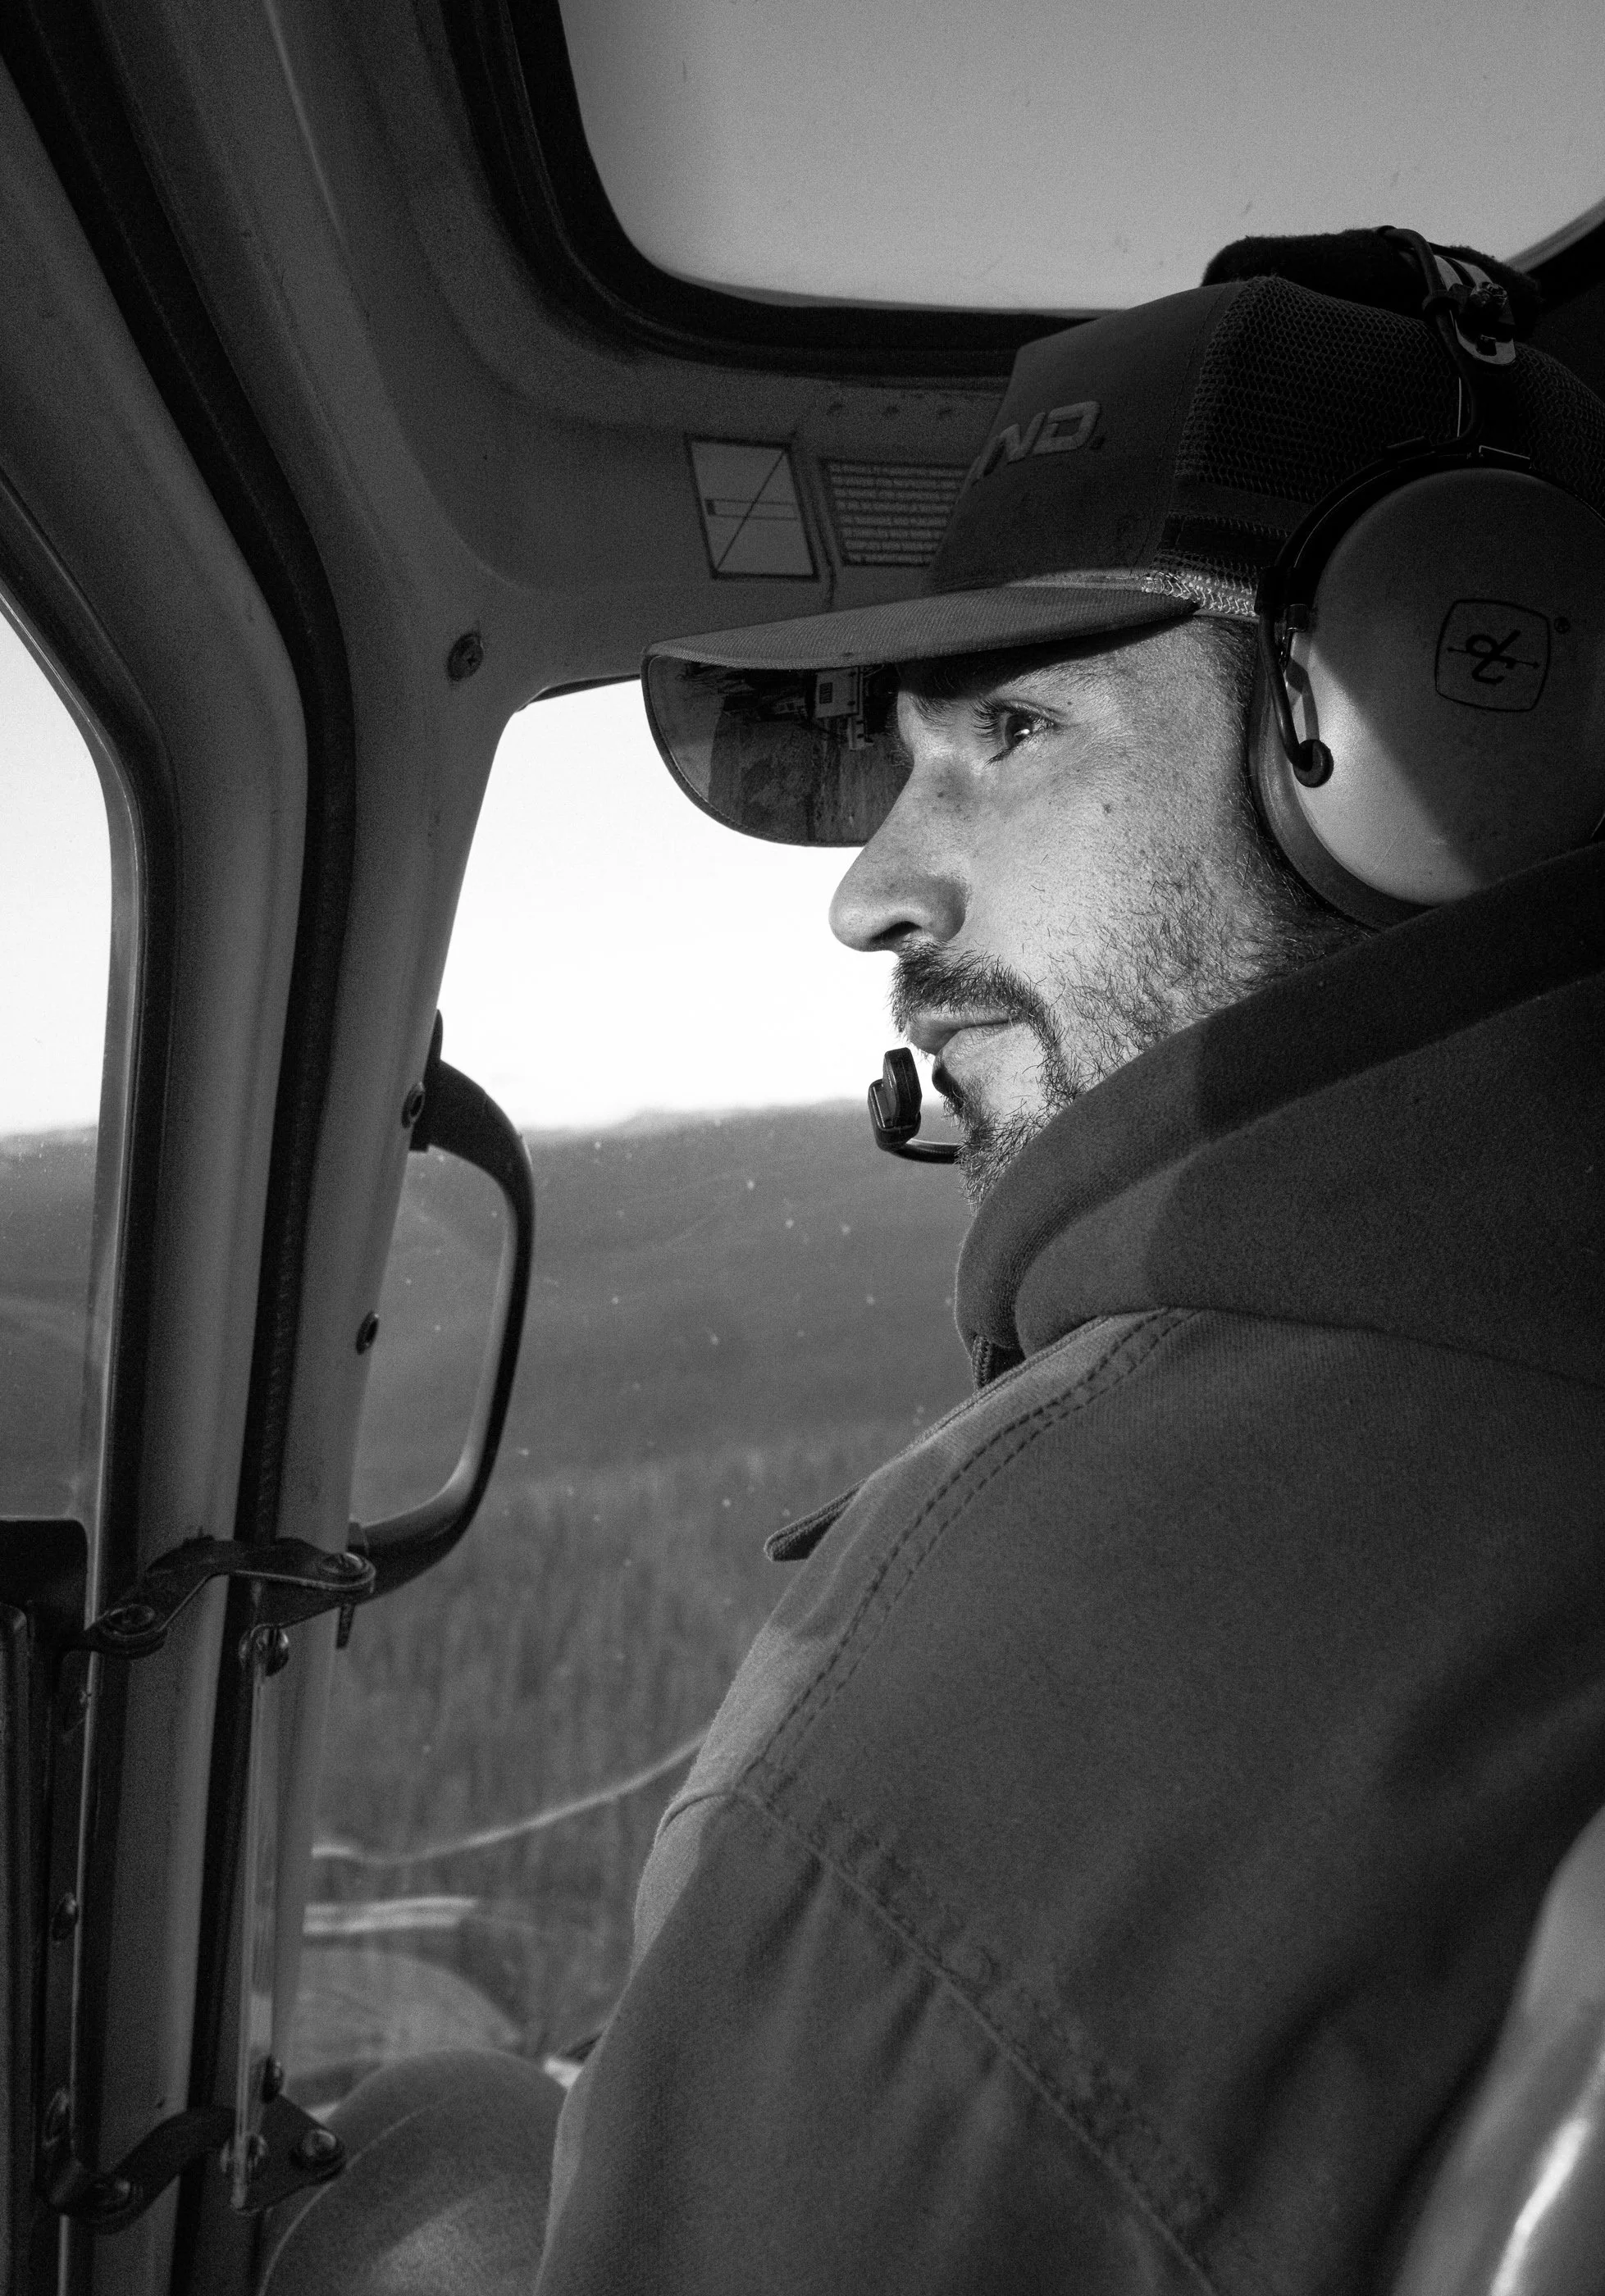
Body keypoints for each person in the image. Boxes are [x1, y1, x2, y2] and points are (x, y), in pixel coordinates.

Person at [266, 229, 1605, 2294]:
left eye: (1006, 728)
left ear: (1457, 710)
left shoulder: (1026, 1661)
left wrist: (414, 2196)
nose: (873, 891)